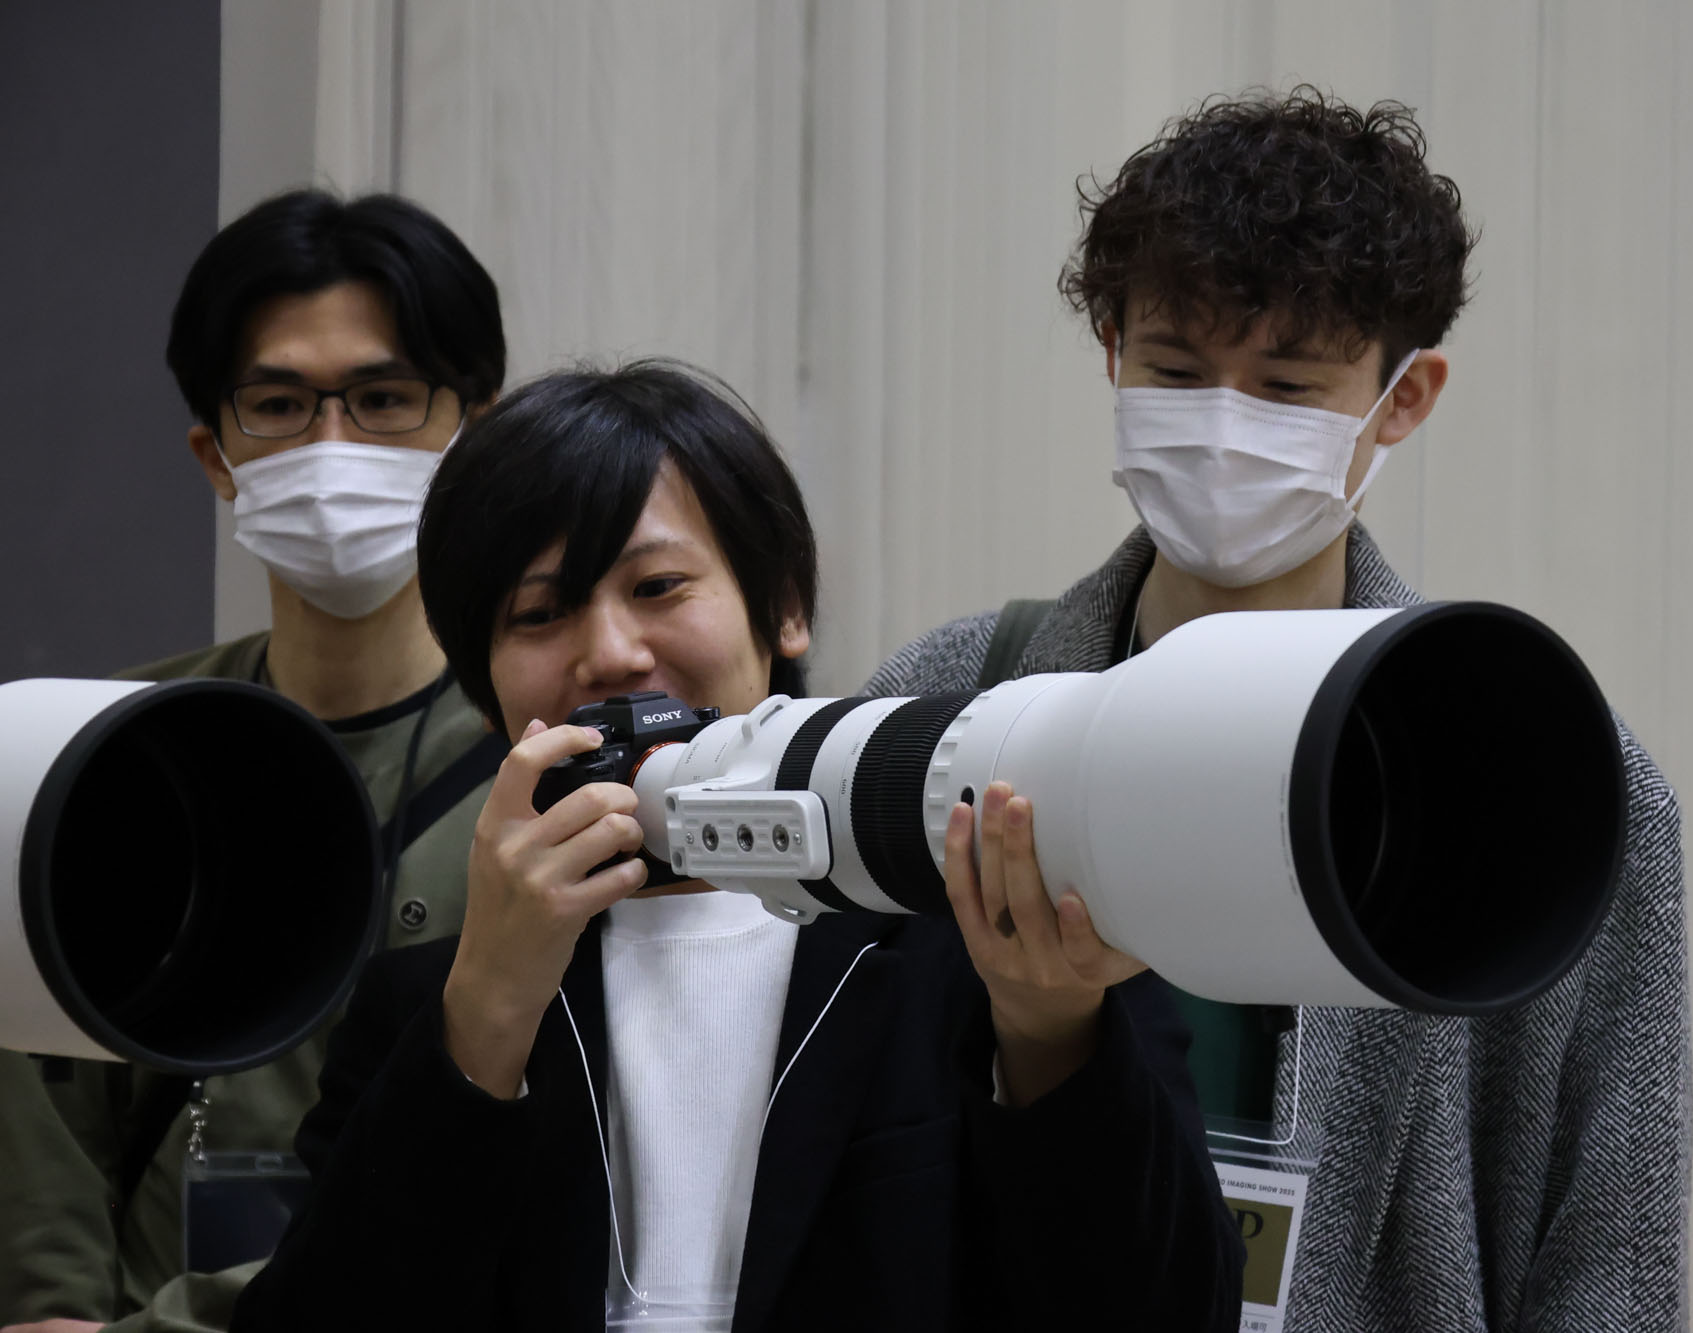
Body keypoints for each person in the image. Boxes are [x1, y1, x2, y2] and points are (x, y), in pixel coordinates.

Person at [864, 89, 1690, 1330]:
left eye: (1287, 387)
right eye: (1177, 372)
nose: (1220, 429)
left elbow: (1609, 1256)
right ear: (1110, 350)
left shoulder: (1548, 785)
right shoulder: (940, 705)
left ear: (1401, 398)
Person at [229, 360, 1243, 1332]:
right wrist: (489, 1005)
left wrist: (1050, 1032)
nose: (612, 653)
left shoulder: (976, 944)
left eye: (660, 586)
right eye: (537, 614)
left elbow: (1163, 1310)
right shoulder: (434, 1006)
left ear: (784, 605)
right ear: (482, 682)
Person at [0, 190, 510, 1333]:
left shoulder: (544, 760)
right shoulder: (105, 748)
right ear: (217, 454)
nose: (330, 448)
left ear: (475, 429)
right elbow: (39, 1113)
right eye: (277, 403)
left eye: (384, 399)